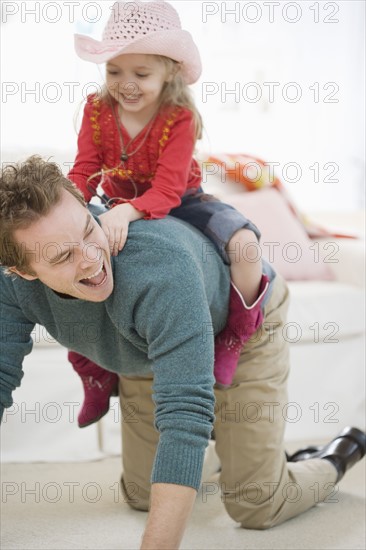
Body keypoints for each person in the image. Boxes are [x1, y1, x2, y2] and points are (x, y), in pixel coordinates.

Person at [1, 156, 365, 550]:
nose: (91, 258)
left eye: (90, 230)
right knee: (143, 494)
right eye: (62, 257)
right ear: (23, 271)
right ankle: (234, 455)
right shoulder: (13, 287)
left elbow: (185, 414)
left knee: (257, 503)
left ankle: (339, 452)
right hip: (144, 349)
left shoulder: (158, 269)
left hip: (239, 323)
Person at [66, 0, 270, 428]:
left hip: (183, 201)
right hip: (117, 204)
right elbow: (85, 169)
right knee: (75, 257)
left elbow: (169, 187)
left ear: (170, 72)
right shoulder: (96, 110)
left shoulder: (178, 117)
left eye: (141, 74)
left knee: (246, 246)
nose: (126, 84)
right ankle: (94, 368)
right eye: (115, 72)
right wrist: (71, 203)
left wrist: (126, 213)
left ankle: (233, 335)